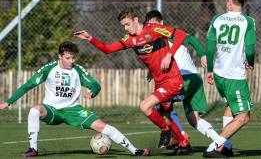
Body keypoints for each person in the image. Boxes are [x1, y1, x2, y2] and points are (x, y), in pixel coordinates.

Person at [74, 8, 192, 155]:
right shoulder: (130, 39)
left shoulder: (154, 29)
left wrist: (169, 55)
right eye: (123, 25)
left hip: (173, 79)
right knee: (165, 114)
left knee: (145, 106)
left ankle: (166, 131)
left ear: (136, 20)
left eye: (128, 24)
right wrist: (90, 38)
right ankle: (183, 143)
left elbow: (180, 35)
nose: (126, 28)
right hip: (160, 82)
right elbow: (108, 49)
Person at [0, 41, 150, 157]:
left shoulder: (77, 70)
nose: (71, 61)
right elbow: (27, 85)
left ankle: (134, 150)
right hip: (52, 110)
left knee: (102, 126)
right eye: (68, 58)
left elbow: (95, 85)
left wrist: (93, 92)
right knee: (34, 109)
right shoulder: (48, 69)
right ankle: (33, 149)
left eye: (73, 57)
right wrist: (9, 102)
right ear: (60, 56)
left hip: (73, 109)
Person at [145, 10, 226, 150]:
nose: (152, 28)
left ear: (162, 23)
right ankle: (222, 142)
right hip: (195, 80)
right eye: (149, 25)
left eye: (154, 24)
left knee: (161, 104)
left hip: (184, 79)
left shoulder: (169, 35)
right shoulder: (155, 42)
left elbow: (192, 39)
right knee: (193, 119)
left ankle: (181, 139)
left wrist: (202, 55)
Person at [205, 0, 256, 157]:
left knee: (231, 108)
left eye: (227, 1)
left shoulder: (217, 19)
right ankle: (213, 147)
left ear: (230, 2)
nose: (226, 4)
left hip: (219, 74)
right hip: (234, 76)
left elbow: (210, 47)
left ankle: (225, 147)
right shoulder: (247, 21)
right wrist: (251, 62)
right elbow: (249, 48)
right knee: (243, 117)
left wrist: (210, 70)